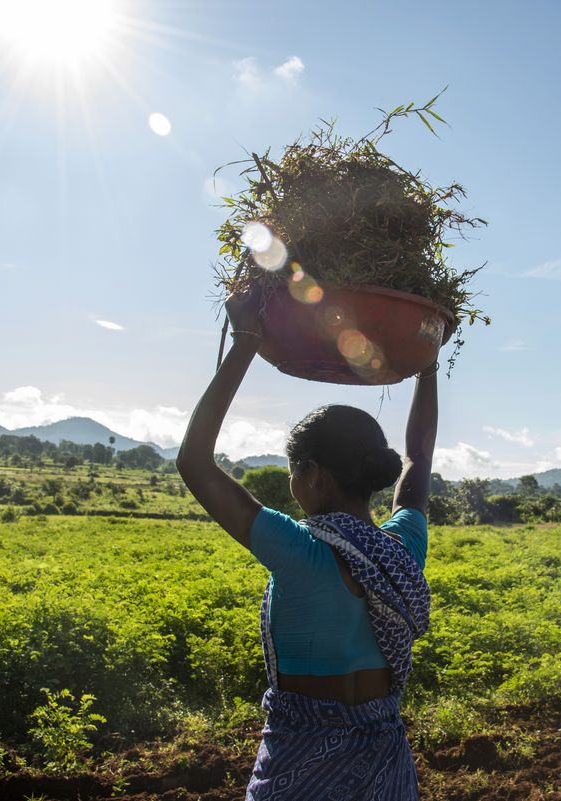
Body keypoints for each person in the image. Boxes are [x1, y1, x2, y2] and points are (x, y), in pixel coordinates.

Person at [177, 288, 438, 800]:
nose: (292, 482)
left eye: (293, 469)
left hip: (301, 769)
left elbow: (194, 462)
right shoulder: (402, 548)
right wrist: (426, 365)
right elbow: (419, 458)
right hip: (386, 770)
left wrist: (246, 340)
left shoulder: (297, 550)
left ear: (313, 474)